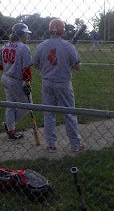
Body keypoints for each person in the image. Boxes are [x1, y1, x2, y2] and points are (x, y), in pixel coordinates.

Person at [33, 18, 85, 153]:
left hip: (47, 83)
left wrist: (47, 69)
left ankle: (52, 145)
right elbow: (77, 66)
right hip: (63, 84)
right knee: (69, 113)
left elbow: (36, 64)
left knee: (49, 114)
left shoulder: (41, 45)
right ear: (63, 31)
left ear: (50, 30)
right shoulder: (68, 46)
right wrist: (67, 63)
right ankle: (75, 144)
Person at [0, 23, 33, 140]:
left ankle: (11, 129)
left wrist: (5, 69)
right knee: (28, 105)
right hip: (17, 81)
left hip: (6, 78)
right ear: (22, 34)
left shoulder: (6, 45)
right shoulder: (23, 47)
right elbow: (26, 68)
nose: (28, 36)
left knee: (10, 105)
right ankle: (9, 124)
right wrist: (27, 82)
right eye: (26, 34)